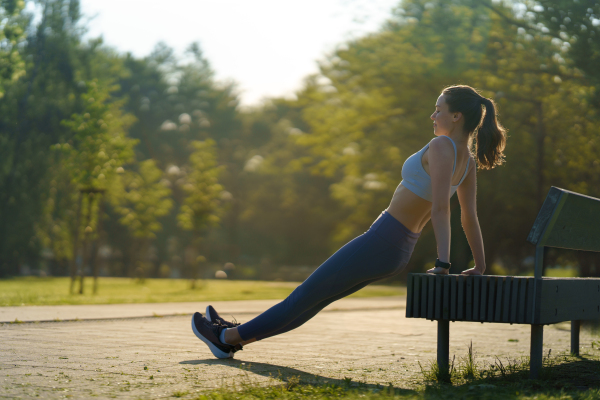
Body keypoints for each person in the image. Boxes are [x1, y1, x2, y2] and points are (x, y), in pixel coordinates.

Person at [191, 84, 507, 359]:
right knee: (313, 301)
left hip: (383, 239)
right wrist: (479, 265)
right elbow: (470, 217)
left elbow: (441, 208)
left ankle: (225, 339)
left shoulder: (442, 146)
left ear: (456, 117)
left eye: (438, 110)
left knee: (305, 296)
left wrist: (443, 262)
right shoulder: (466, 161)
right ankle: (234, 336)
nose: (432, 116)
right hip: (397, 250)